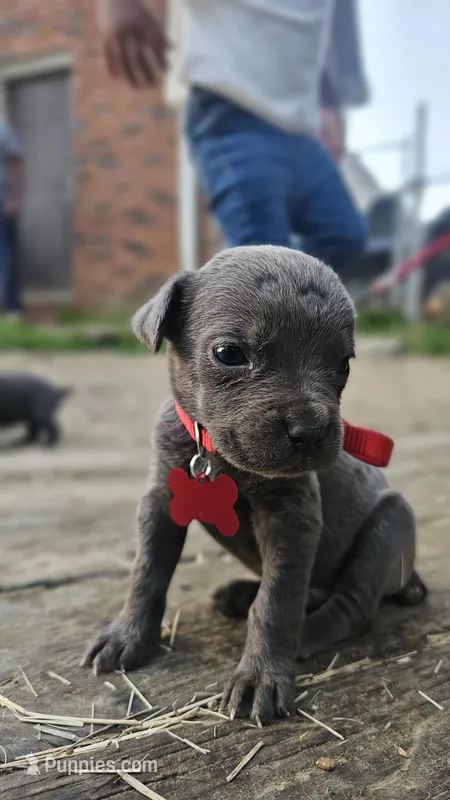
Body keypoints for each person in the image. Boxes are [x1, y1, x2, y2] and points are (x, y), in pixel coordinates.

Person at [98, 0, 368, 274]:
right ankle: (249, 297)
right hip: (232, 114)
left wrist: (328, 101)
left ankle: (251, 294)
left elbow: (305, 38)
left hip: (299, 130)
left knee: (343, 236)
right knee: (266, 262)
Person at [0, 119, 22, 317]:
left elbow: (14, 163)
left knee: (7, 255)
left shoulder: (3, 130)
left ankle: (12, 307)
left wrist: (12, 198)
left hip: (2, 202)